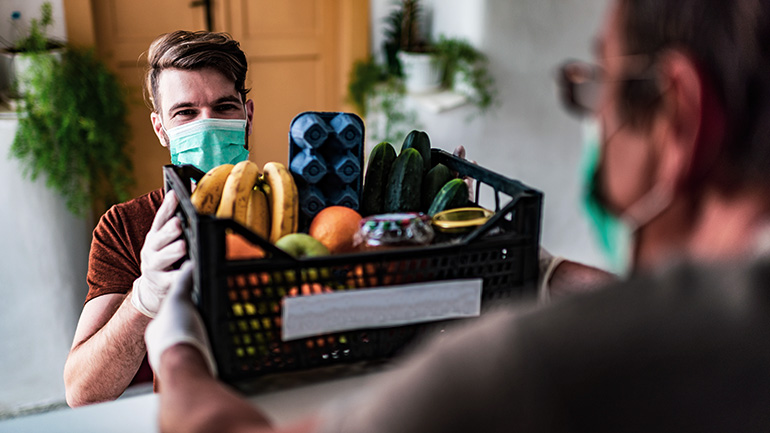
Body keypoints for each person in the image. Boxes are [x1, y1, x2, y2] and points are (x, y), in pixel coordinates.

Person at [144, 0, 770, 431]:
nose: (596, 123)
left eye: (597, 89)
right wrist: (535, 265)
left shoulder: (530, 367)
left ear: (680, 113)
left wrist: (175, 343)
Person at [63, 30, 256, 407]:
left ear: (247, 117)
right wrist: (144, 299)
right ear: (160, 129)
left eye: (224, 107)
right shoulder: (124, 226)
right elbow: (82, 392)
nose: (208, 123)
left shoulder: (299, 208)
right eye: (186, 112)